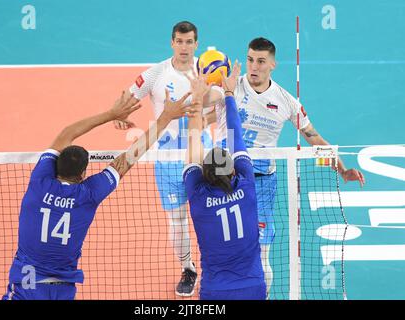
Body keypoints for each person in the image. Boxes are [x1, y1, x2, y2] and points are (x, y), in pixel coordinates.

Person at [2, 90, 196, 300]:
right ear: (83, 173)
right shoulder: (89, 193)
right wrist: (166, 117)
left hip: (27, 281)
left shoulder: (39, 181)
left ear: (54, 165)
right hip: (63, 288)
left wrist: (112, 113)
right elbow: (129, 157)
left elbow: (67, 133)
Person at [210, 37, 366, 296]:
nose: (254, 66)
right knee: (223, 249)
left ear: (272, 64)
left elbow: (313, 137)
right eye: (250, 60)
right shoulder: (230, 87)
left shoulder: (285, 101)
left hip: (261, 183)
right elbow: (199, 102)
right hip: (223, 179)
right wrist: (209, 85)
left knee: (261, 254)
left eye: (261, 61)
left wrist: (342, 169)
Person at [113, 21, 220, 296]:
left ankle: (216, 267)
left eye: (189, 42)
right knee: (178, 220)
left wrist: (206, 116)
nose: (184, 47)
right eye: (179, 41)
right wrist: (120, 117)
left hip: (203, 156)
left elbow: (224, 103)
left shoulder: (208, 70)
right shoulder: (155, 74)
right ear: (172, 42)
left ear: (196, 44)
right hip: (169, 160)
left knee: (211, 215)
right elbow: (125, 99)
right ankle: (188, 269)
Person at [183, 62, 266, 300]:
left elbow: (193, 142)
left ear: (204, 173)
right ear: (232, 171)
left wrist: (197, 98)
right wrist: (229, 92)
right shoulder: (246, 184)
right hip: (253, 287)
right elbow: (234, 133)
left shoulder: (198, 195)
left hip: (216, 292)